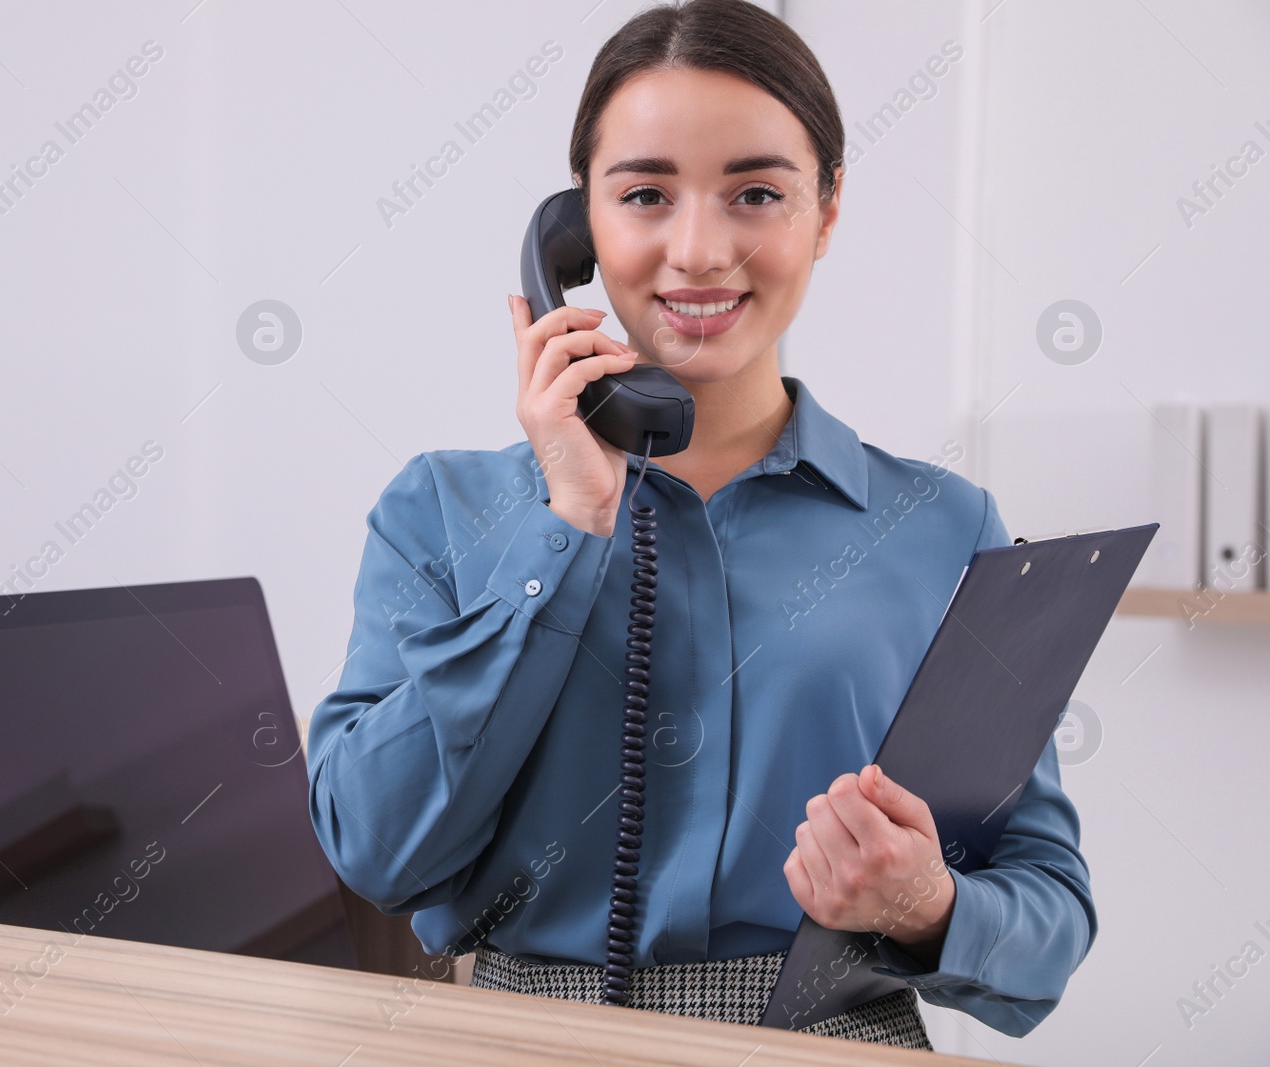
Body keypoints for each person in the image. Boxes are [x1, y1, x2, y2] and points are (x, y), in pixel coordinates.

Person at [305, 0, 1093, 1050]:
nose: (699, 249)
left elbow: (1048, 909)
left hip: (831, 1035)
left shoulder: (944, 527)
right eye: (644, 194)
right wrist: (569, 523)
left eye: (757, 192)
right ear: (576, 230)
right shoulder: (438, 510)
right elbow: (374, 847)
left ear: (826, 209)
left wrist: (926, 904)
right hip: (512, 1039)